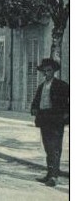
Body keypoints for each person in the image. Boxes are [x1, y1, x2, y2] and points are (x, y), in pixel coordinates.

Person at [30, 58, 69, 187]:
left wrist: (65, 115)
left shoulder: (61, 85)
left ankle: (54, 176)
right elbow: (36, 101)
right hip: (44, 119)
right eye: (44, 71)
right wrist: (34, 109)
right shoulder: (41, 86)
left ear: (54, 71)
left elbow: (68, 103)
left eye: (49, 70)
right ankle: (49, 173)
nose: (46, 73)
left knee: (55, 148)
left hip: (56, 120)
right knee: (47, 147)